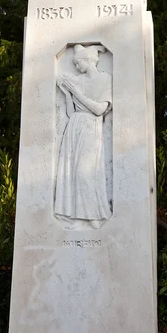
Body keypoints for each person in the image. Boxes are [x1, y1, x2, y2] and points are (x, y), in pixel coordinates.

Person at [54, 44, 112, 230]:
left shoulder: (105, 79)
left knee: (85, 172)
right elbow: (72, 113)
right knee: (71, 173)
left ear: (88, 60)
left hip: (90, 127)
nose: (76, 67)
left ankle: (93, 215)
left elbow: (99, 109)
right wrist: (67, 94)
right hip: (74, 127)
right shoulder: (77, 81)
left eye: (78, 63)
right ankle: (74, 216)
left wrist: (77, 93)